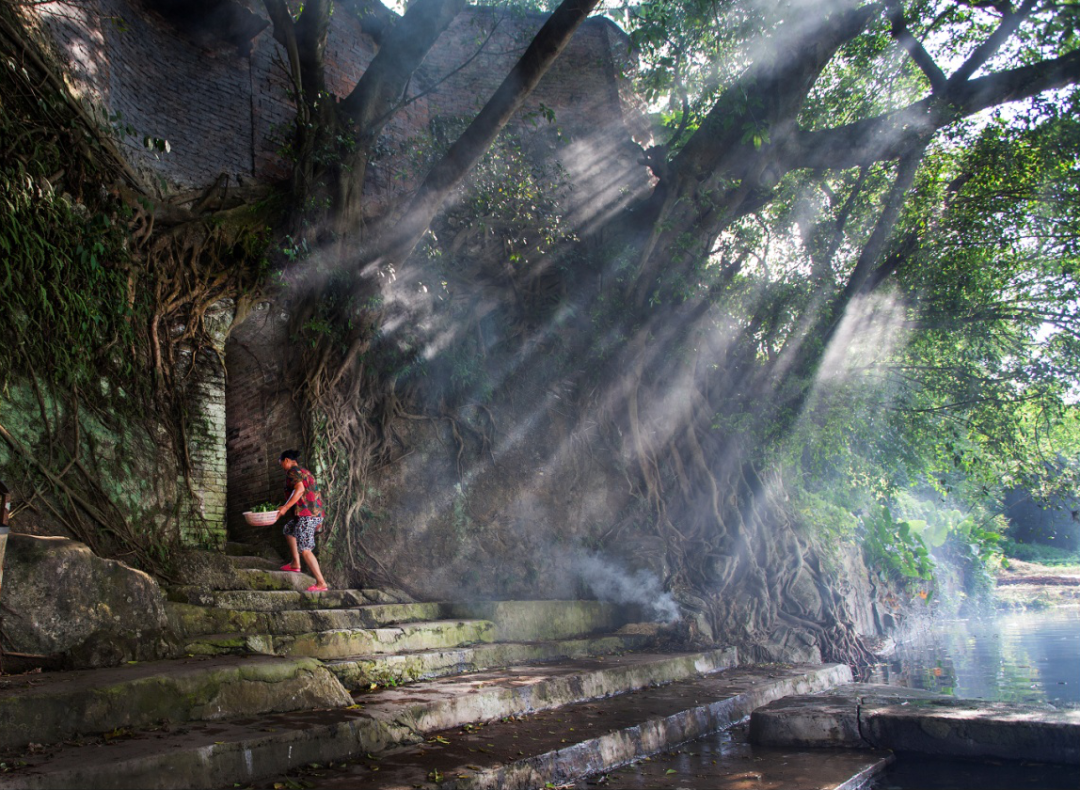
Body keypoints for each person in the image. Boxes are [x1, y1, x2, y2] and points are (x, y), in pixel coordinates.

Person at [276, 449, 329, 592]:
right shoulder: (304, 471)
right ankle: (295, 563)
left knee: (305, 549)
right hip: (312, 514)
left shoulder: (293, 471)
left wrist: (285, 508)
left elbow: (299, 490)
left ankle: (321, 582)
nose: (281, 466)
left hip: (307, 515)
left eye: (281, 463)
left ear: (286, 460)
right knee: (289, 529)